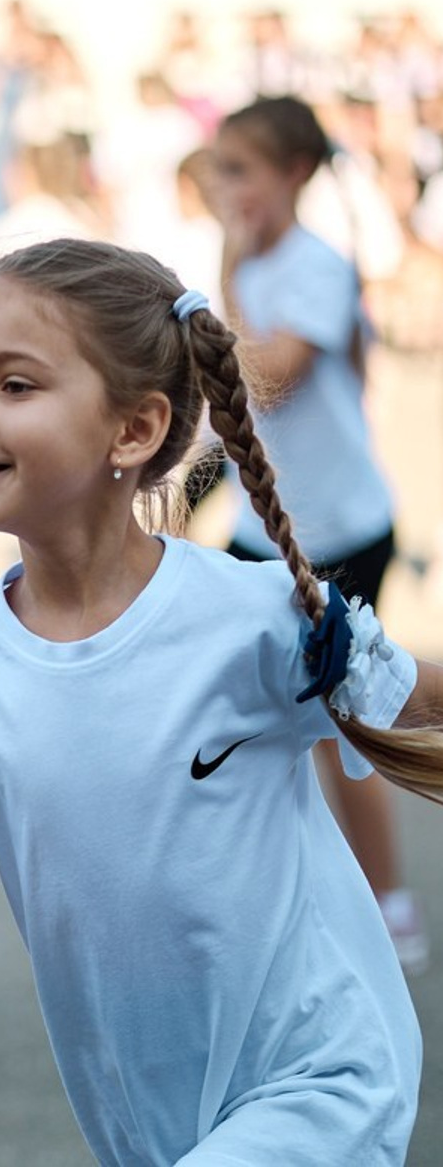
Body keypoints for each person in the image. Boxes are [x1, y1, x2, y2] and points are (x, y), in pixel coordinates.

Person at [0, 237, 443, 1165]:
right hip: (145, 1118)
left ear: (134, 430)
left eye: (16, 385)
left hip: (324, 1070)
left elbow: (419, 703)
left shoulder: (255, 616)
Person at [213, 95, 426, 972]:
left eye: (241, 171)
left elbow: (269, 380)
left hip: (336, 531)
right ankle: (277, 899)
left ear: (294, 174)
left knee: (347, 723)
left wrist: (224, 270)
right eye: (219, 171)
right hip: (261, 534)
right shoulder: (256, 270)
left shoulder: (313, 266)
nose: (226, 191)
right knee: (243, 722)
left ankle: (389, 902)